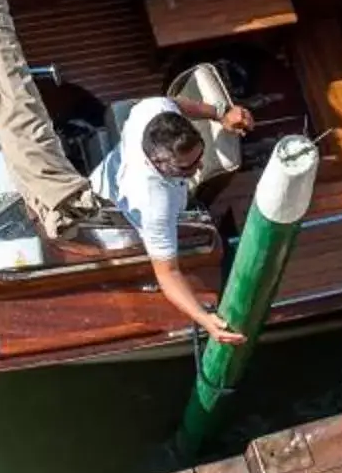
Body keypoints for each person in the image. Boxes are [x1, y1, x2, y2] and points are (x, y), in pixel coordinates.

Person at [90, 88, 252, 344]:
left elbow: (176, 103)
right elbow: (168, 273)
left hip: (106, 177)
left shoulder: (153, 109)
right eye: (187, 166)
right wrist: (204, 318)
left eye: (200, 155)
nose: (199, 166)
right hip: (121, 221)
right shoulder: (154, 205)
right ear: (157, 162)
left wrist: (220, 114)